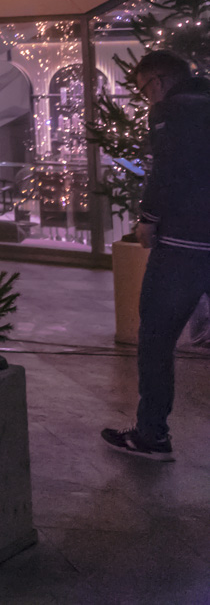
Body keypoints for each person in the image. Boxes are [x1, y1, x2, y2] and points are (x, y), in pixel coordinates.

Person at [103, 49, 210, 460]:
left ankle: (152, 435)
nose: (145, 98)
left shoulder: (170, 112)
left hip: (183, 244)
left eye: (144, 88)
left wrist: (148, 217)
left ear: (159, 81)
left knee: (156, 337)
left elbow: (165, 168)